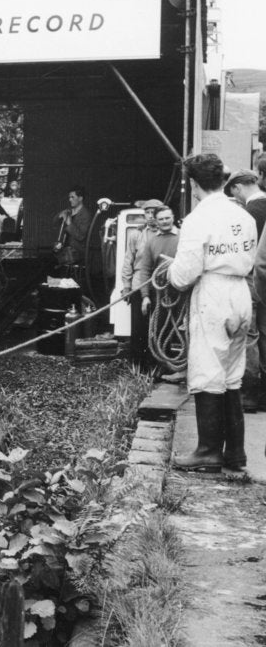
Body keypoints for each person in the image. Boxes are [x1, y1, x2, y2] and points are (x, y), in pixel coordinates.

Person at [168, 154, 256, 474]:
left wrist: (169, 274)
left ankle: (207, 451)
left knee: (207, 368)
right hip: (240, 293)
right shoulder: (242, 215)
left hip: (214, 294)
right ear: (222, 180)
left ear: (193, 184)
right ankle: (235, 452)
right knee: (232, 373)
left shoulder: (197, 219)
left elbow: (183, 275)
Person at [224, 168, 266, 411]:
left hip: (254, 280)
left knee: (249, 337)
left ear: (238, 188)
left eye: (235, 194)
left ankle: (249, 393)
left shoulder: (251, 212)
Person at [136, 206, 181, 377]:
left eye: (167, 218)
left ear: (173, 217)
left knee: (179, 330)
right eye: (161, 219)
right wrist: (145, 297)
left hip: (180, 291)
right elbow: (145, 270)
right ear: (156, 221)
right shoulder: (152, 242)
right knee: (159, 330)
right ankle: (160, 369)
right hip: (159, 292)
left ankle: (179, 368)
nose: (165, 221)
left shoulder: (183, 237)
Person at [120, 199, 163, 368]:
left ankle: (156, 366)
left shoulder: (166, 234)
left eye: (154, 213)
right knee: (138, 327)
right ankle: (137, 366)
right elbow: (128, 260)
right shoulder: (136, 235)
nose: (151, 217)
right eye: (147, 213)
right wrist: (126, 286)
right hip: (139, 284)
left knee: (158, 327)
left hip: (160, 286)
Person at [52, 185, 92, 269]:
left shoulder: (85, 215)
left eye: (72, 197)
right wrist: (60, 215)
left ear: (80, 198)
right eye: (69, 197)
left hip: (76, 254)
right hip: (64, 251)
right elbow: (54, 223)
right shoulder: (69, 211)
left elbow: (81, 236)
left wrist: (69, 223)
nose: (70, 199)